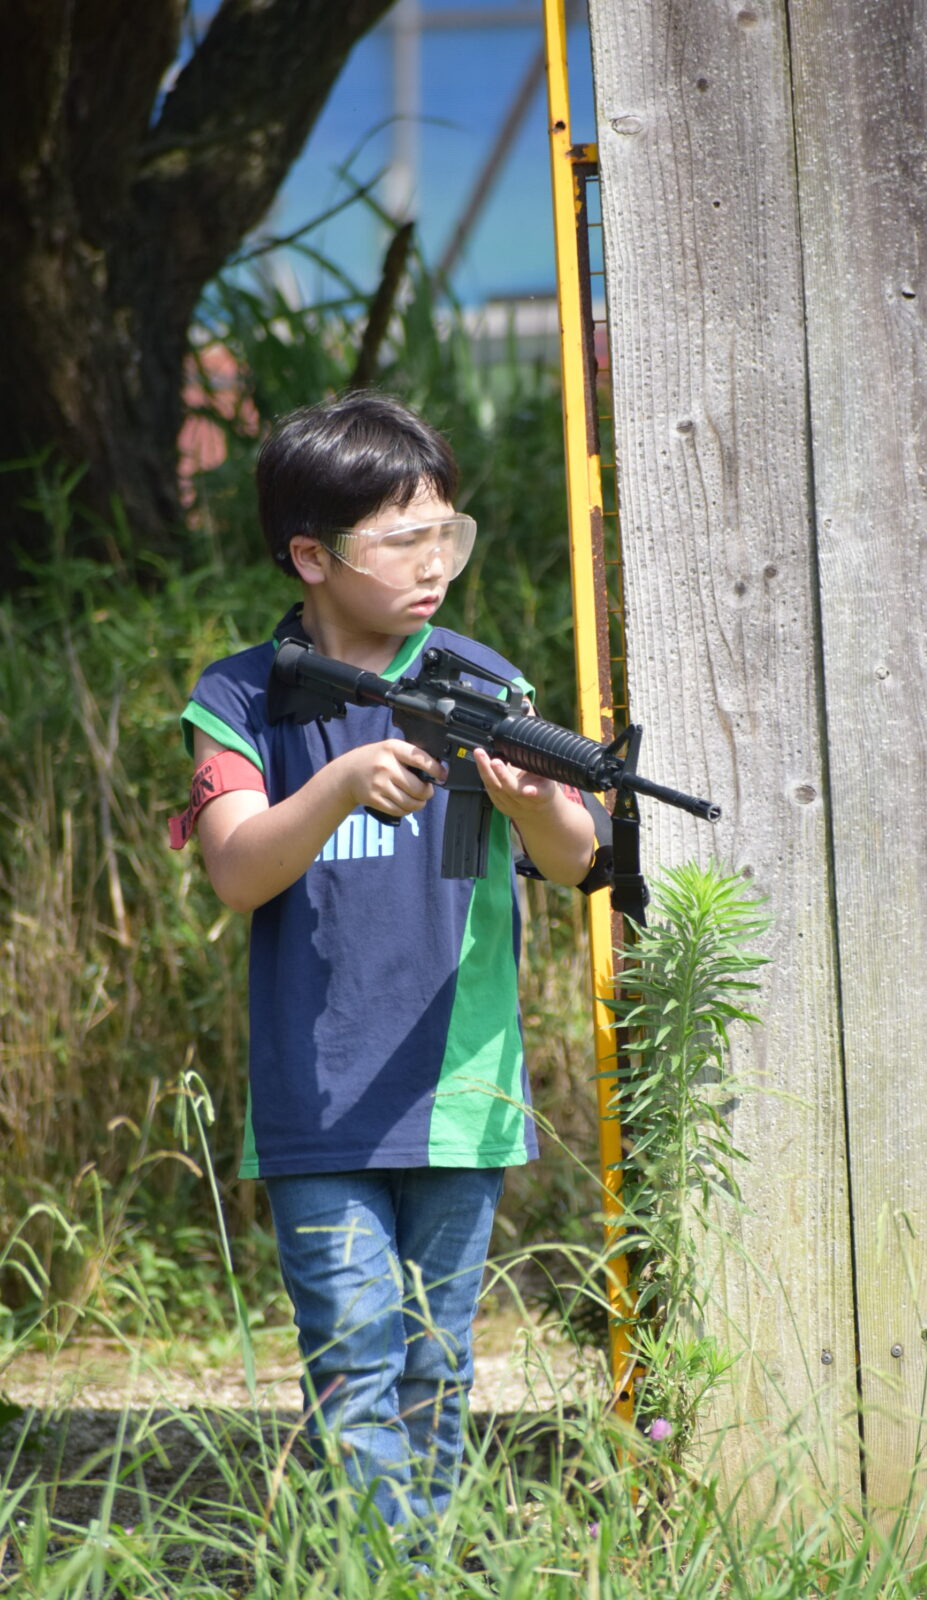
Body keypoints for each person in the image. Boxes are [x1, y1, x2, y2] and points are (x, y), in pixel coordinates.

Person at [170, 389, 596, 1533]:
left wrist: (532, 800)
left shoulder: (479, 678)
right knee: (354, 1358)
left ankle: (418, 1560)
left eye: (446, 531)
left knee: (433, 1361)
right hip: (316, 1096)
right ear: (309, 555)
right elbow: (237, 868)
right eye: (401, 537)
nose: (434, 561)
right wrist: (341, 782)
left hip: (459, 1087)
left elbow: (572, 858)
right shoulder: (240, 695)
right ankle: (380, 1564)